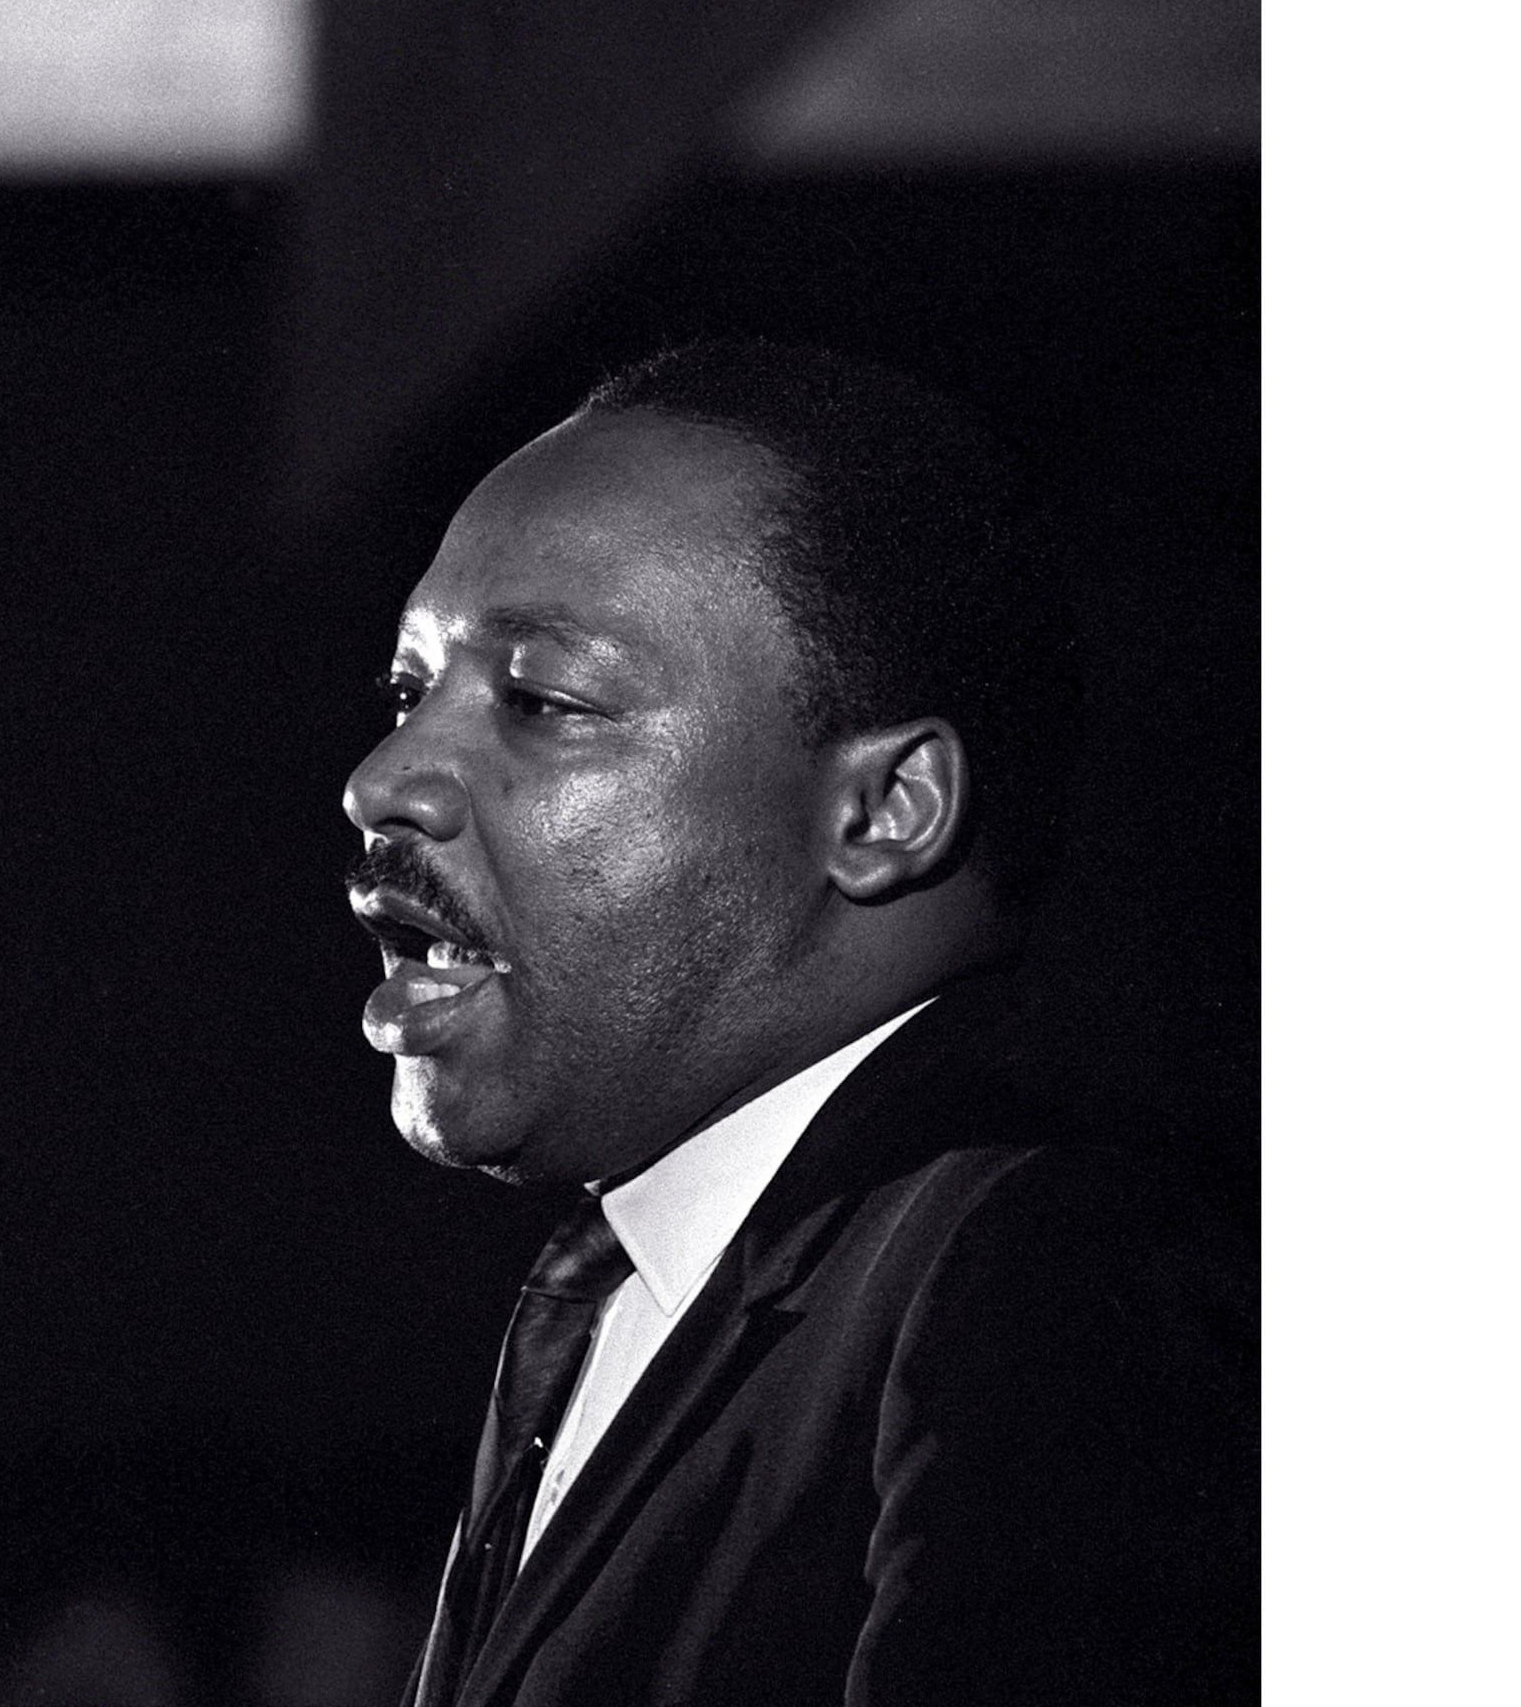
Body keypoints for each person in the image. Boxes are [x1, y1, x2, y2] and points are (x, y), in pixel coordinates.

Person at [341, 340, 1253, 1707]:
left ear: (884, 815)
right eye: (413, 694)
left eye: (541, 701)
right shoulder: (638, 1278)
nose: (385, 779)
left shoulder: (1045, 1269)